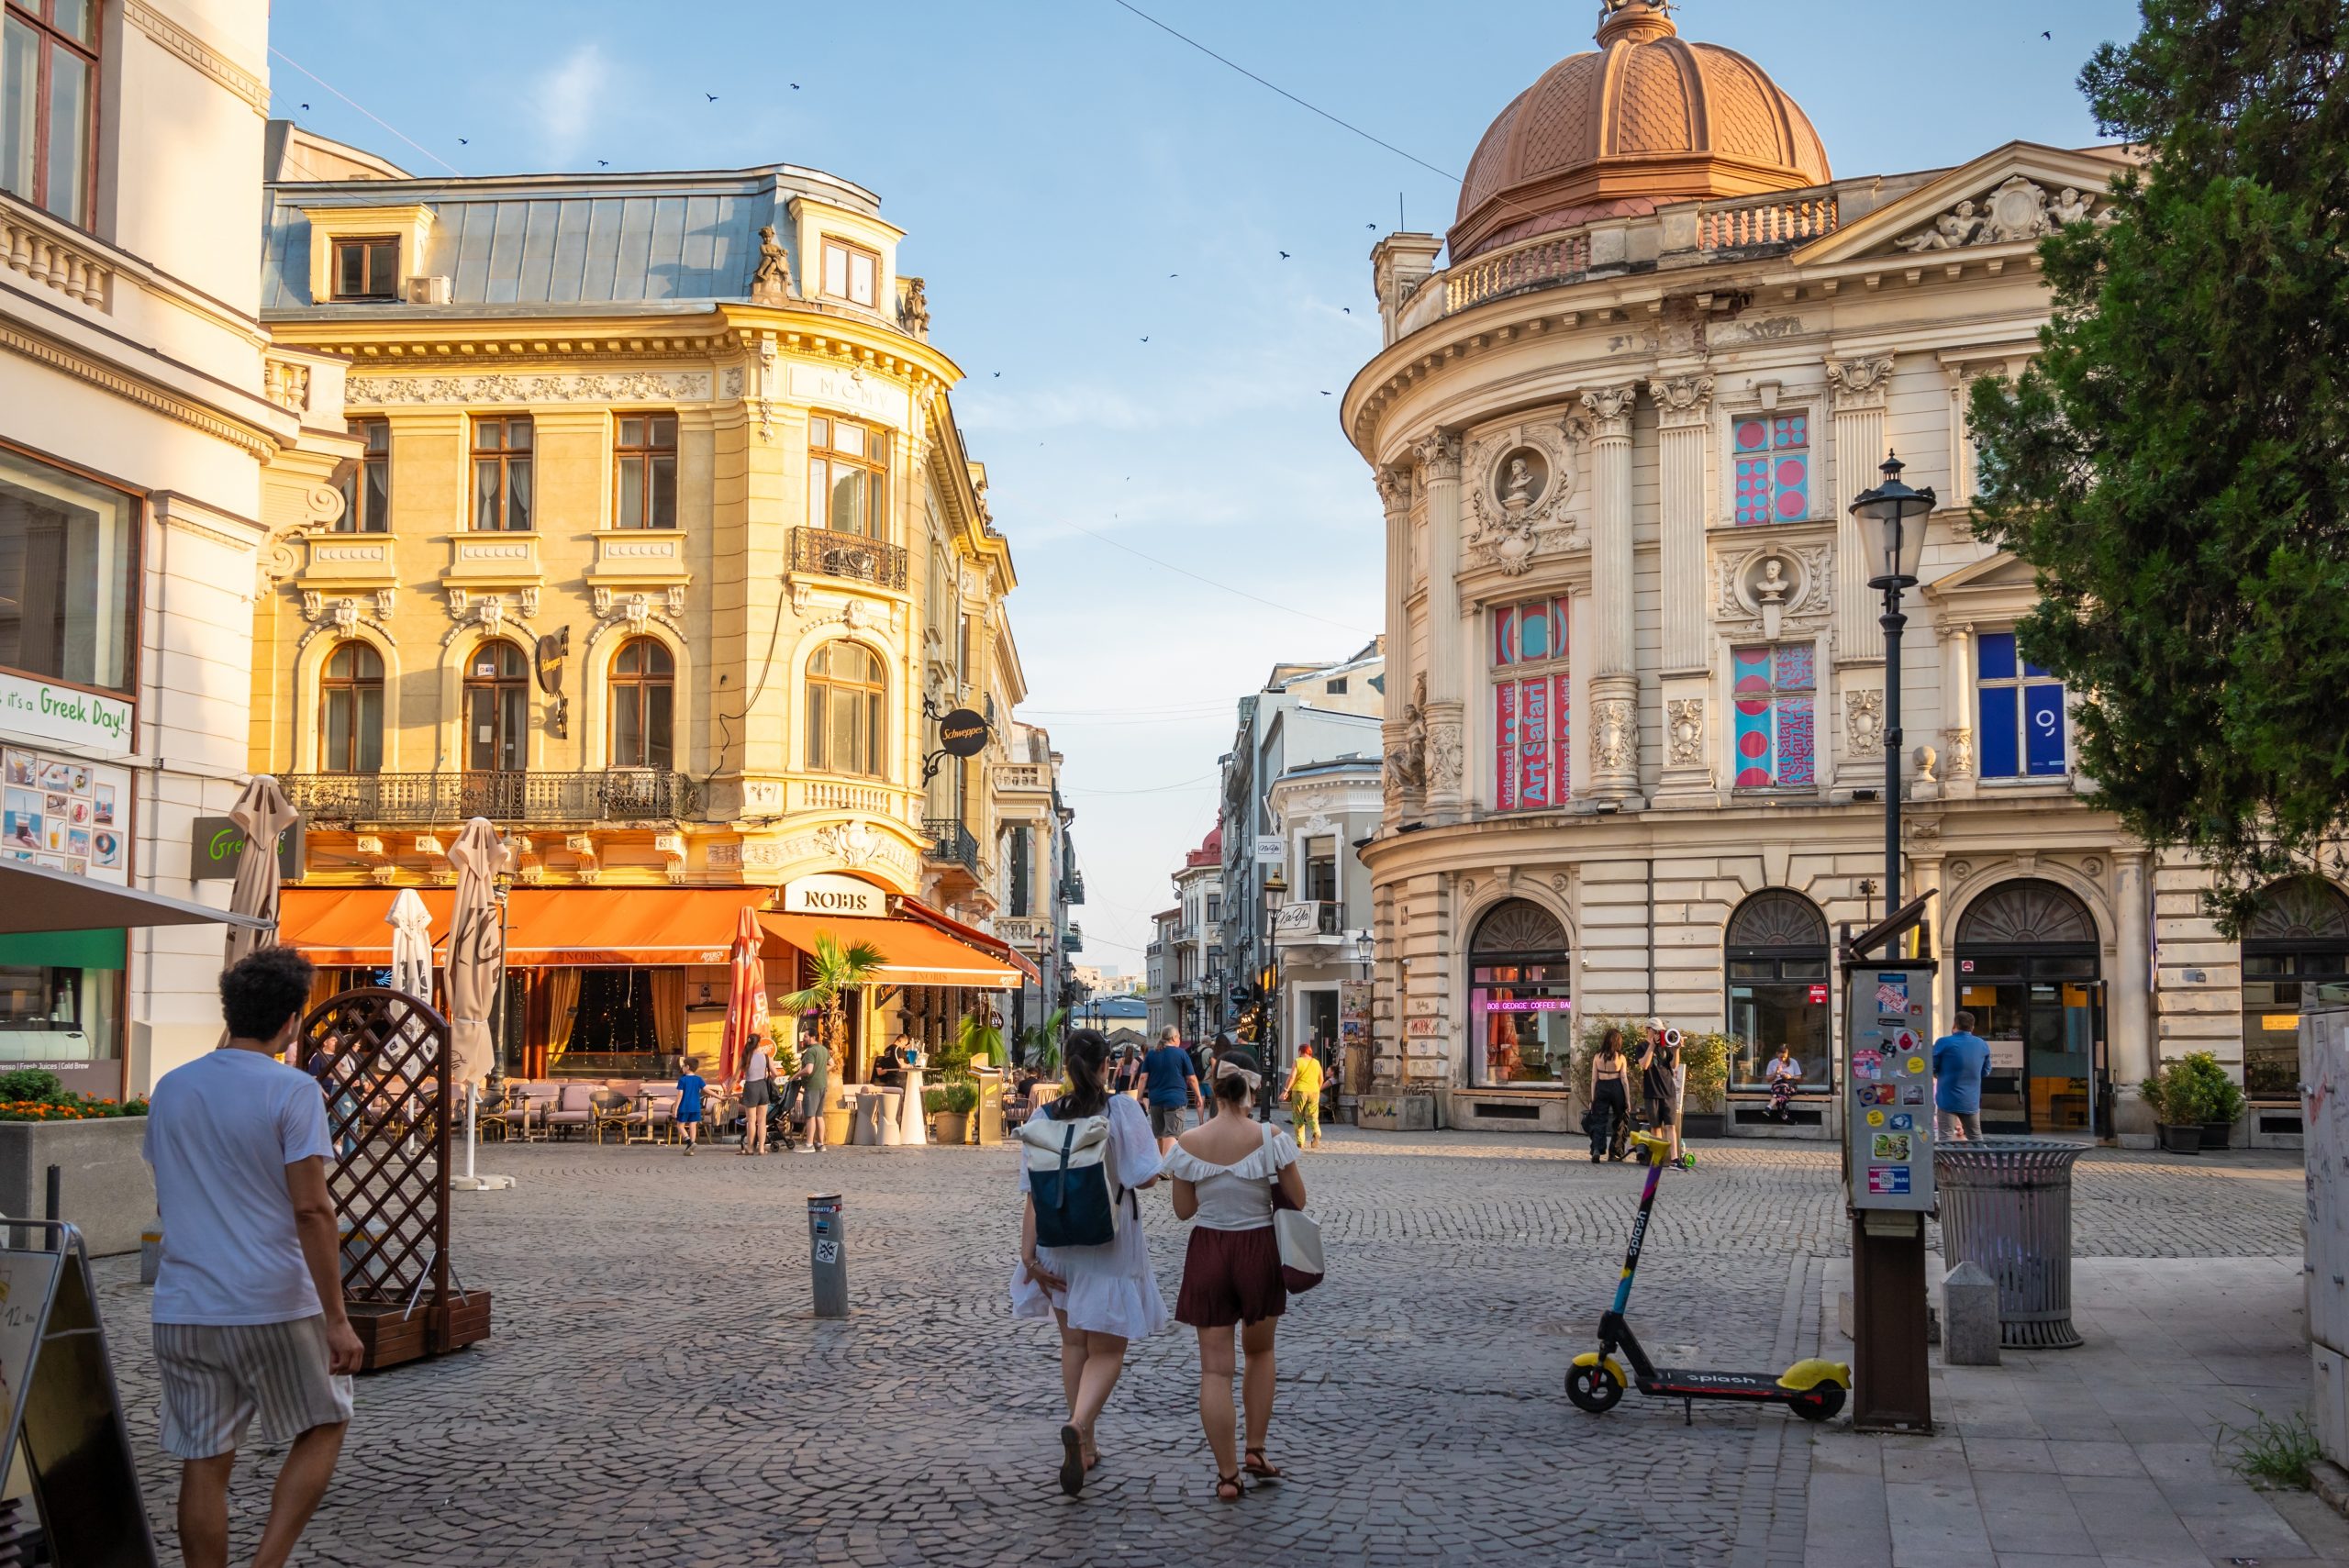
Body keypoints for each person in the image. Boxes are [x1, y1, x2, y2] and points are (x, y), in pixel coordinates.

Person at [143, 947, 363, 1568]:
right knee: (325, 1419)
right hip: (271, 1298)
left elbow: (166, 1197)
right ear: (292, 1020)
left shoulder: (172, 1087)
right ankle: (267, 1563)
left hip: (185, 1303)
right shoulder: (294, 1090)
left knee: (204, 1460)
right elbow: (313, 1209)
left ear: (230, 1009)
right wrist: (338, 1317)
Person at [1011, 1029, 1165, 1497]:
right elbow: (1146, 1179)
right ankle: (1079, 1425)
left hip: (1056, 1244)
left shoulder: (1043, 1115)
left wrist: (1028, 1255)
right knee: (1108, 1351)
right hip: (1109, 1243)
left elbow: (1033, 1192)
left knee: (1074, 1344)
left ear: (1067, 1067)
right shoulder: (1121, 1110)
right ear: (1107, 1067)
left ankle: (1087, 1444)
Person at [1165, 1054, 1306, 1504]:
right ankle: (1255, 1450)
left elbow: (1184, 1211)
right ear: (1251, 1087)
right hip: (1257, 1249)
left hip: (1208, 1252)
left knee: (1214, 1369)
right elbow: (1298, 1201)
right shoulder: (1271, 1137)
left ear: (1213, 1085)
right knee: (1260, 1353)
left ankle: (1227, 1476)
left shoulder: (1187, 1141)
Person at [1141, 1026, 1203, 1154]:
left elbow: (1143, 1077)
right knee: (1171, 1135)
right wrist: (1198, 1095)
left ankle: (1160, 1165)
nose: (1179, 1039)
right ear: (1174, 1038)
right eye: (1179, 1037)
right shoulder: (1181, 1053)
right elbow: (1191, 1078)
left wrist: (1139, 1097)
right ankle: (1165, 1168)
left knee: (1160, 1135)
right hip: (1175, 1100)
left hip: (1156, 1100)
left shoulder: (1151, 1054)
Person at [1932, 1009, 1991, 1142]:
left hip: (1946, 1099)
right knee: (1976, 1138)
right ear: (1972, 1027)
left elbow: (1932, 1066)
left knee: (1945, 1138)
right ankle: (1982, 1162)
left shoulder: (1943, 1042)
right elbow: (1986, 1071)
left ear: (1954, 1025)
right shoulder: (1982, 1044)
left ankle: (1947, 1163)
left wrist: (1940, 1074)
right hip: (1970, 1101)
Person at [1638, 1020, 1686, 1167]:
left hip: (1668, 1091)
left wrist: (1677, 1049)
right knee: (1656, 1127)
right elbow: (1644, 1065)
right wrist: (1652, 1045)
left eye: (1660, 1031)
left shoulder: (1666, 1046)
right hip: (1652, 1091)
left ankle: (1675, 1159)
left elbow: (1674, 1066)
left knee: (1670, 1126)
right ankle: (1657, 1158)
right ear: (1648, 1030)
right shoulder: (1642, 1046)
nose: (1659, 1034)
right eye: (1656, 1031)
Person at [1587, 1028, 1631, 1162]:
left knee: (1599, 1120)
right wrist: (1628, 1100)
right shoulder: (1621, 1058)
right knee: (1620, 1119)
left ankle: (1597, 1148)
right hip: (1616, 1087)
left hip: (1601, 1086)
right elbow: (1624, 1079)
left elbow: (1594, 1079)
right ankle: (1615, 1152)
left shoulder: (1597, 1057)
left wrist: (1593, 1098)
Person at [736, 1032, 774, 1156]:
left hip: (750, 1087)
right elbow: (775, 1074)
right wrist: (769, 1077)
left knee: (751, 1121)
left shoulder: (745, 1057)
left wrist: (727, 1091)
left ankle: (750, 1148)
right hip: (762, 1087)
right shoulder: (766, 1056)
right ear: (759, 1043)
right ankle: (762, 1149)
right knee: (762, 1121)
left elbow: (735, 1077)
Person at [1279, 1044, 1325, 1151]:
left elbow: (1292, 1077)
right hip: (1314, 1091)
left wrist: (1286, 1091)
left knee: (1298, 1116)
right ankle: (1316, 1132)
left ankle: (1300, 1142)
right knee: (1312, 1115)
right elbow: (1321, 1079)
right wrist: (1317, 1089)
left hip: (1299, 1091)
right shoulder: (1316, 1062)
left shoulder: (1298, 1061)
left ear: (1300, 1051)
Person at [799, 1030, 831, 1153]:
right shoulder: (823, 1049)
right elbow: (832, 1064)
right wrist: (821, 1071)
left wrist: (795, 1075)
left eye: (806, 1037)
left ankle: (809, 1145)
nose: (804, 1039)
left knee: (810, 1116)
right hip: (822, 1085)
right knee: (819, 1115)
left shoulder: (811, 1051)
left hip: (812, 1086)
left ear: (813, 1037)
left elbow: (808, 1070)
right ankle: (821, 1144)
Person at [674, 1055, 707, 1155]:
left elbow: (680, 1095)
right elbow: (707, 1090)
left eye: (683, 1066)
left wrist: (675, 1109)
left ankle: (689, 1142)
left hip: (684, 1107)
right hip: (696, 1107)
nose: (682, 1068)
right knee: (693, 1125)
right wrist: (720, 1097)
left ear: (687, 1067)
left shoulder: (682, 1080)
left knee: (680, 1125)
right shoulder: (699, 1079)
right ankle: (691, 1150)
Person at [1765, 1046, 1803, 1123]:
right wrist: (1776, 1073)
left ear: (1788, 1055)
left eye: (1785, 1057)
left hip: (1790, 1084)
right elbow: (1768, 1080)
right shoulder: (1772, 1063)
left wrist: (1790, 1076)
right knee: (1781, 1089)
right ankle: (1784, 1116)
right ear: (1777, 1054)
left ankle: (1769, 1106)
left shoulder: (1793, 1062)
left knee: (1782, 1088)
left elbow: (1799, 1078)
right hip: (1777, 1085)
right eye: (1781, 1057)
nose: (1783, 1059)